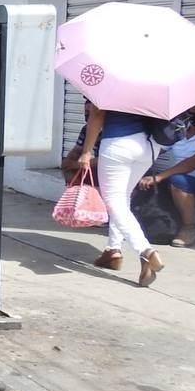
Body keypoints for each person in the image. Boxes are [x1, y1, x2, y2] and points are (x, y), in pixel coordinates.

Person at [77, 102, 163, 286]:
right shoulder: (153, 78)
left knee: (113, 201)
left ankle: (146, 251)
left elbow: (98, 112)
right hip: (150, 146)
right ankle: (113, 250)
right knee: (121, 199)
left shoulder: (114, 78)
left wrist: (86, 151)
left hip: (119, 143)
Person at [139, 100, 195, 248]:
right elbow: (155, 150)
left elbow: (192, 163)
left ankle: (189, 228)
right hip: (180, 183)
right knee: (142, 175)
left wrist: (159, 177)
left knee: (177, 180)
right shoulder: (180, 130)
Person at [61, 100, 99, 183]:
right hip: (96, 167)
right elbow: (77, 150)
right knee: (68, 170)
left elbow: (106, 159)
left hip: (110, 167)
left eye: (91, 113)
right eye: (86, 112)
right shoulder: (86, 129)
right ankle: (79, 194)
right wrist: (68, 161)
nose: (88, 116)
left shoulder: (110, 131)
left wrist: (75, 164)